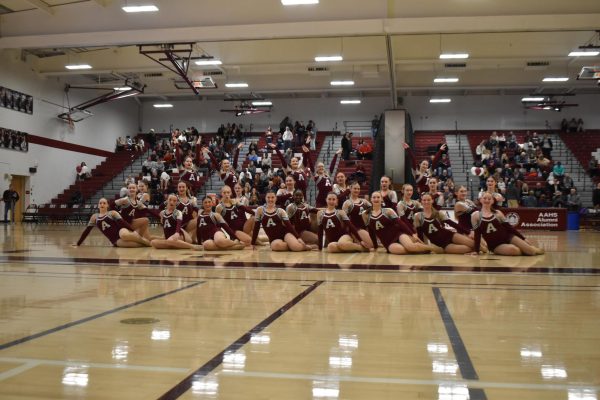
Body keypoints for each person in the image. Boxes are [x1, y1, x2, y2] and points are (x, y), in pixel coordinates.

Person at [472, 192, 544, 256]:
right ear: (480, 200)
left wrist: (523, 238)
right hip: (495, 245)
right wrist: (476, 250)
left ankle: (532, 249)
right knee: (514, 250)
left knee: (531, 252)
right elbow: (477, 234)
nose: (487, 200)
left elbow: (509, 228)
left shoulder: (498, 213)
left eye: (489, 199)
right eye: (485, 198)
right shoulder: (475, 215)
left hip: (508, 237)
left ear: (493, 201)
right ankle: (526, 249)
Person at [363, 191, 435, 255]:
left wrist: (412, 234)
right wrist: (375, 246)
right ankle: (421, 249)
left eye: (378, 197)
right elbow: (371, 231)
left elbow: (400, 223)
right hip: (388, 242)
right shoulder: (365, 214)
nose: (376, 199)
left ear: (381, 199)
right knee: (402, 251)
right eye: (374, 197)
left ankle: (433, 248)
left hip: (398, 234)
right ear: (371, 199)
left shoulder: (388, 211)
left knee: (410, 247)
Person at [251, 191, 317, 251]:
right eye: (268, 197)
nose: (270, 199)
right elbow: (256, 227)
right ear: (265, 198)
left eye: (272, 197)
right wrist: (253, 243)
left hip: (285, 234)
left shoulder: (280, 211)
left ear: (276, 198)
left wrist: (298, 238)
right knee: (276, 246)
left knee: (297, 248)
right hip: (274, 239)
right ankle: (293, 245)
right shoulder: (260, 210)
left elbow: (289, 226)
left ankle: (308, 247)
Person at [414, 193, 478, 254]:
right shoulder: (418, 216)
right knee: (468, 248)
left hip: (449, 235)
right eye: (424, 200)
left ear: (432, 201)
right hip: (442, 245)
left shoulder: (438, 213)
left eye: (428, 200)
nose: (426, 202)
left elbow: (452, 224)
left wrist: (468, 232)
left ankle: (486, 250)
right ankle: (479, 251)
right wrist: (424, 249)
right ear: (421, 201)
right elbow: (420, 234)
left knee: (474, 244)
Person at [75, 198, 150, 247]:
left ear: (107, 205)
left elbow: (123, 223)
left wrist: (133, 231)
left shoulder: (112, 213)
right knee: (137, 245)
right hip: (115, 240)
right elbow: (87, 231)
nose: (102, 204)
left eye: (104, 203)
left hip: (121, 231)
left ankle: (145, 241)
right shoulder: (94, 217)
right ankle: (147, 243)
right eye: (100, 203)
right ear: (98, 205)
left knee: (124, 235)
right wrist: (78, 243)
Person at [342, 181, 374, 248]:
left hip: (365, 228)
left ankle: (358, 242)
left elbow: (374, 208)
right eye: (355, 188)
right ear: (350, 189)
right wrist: (347, 232)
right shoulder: (347, 203)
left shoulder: (364, 201)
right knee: (371, 245)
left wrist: (367, 213)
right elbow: (344, 220)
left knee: (373, 244)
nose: (357, 190)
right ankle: (354, 240)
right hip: (356, 229)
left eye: (358, 189)